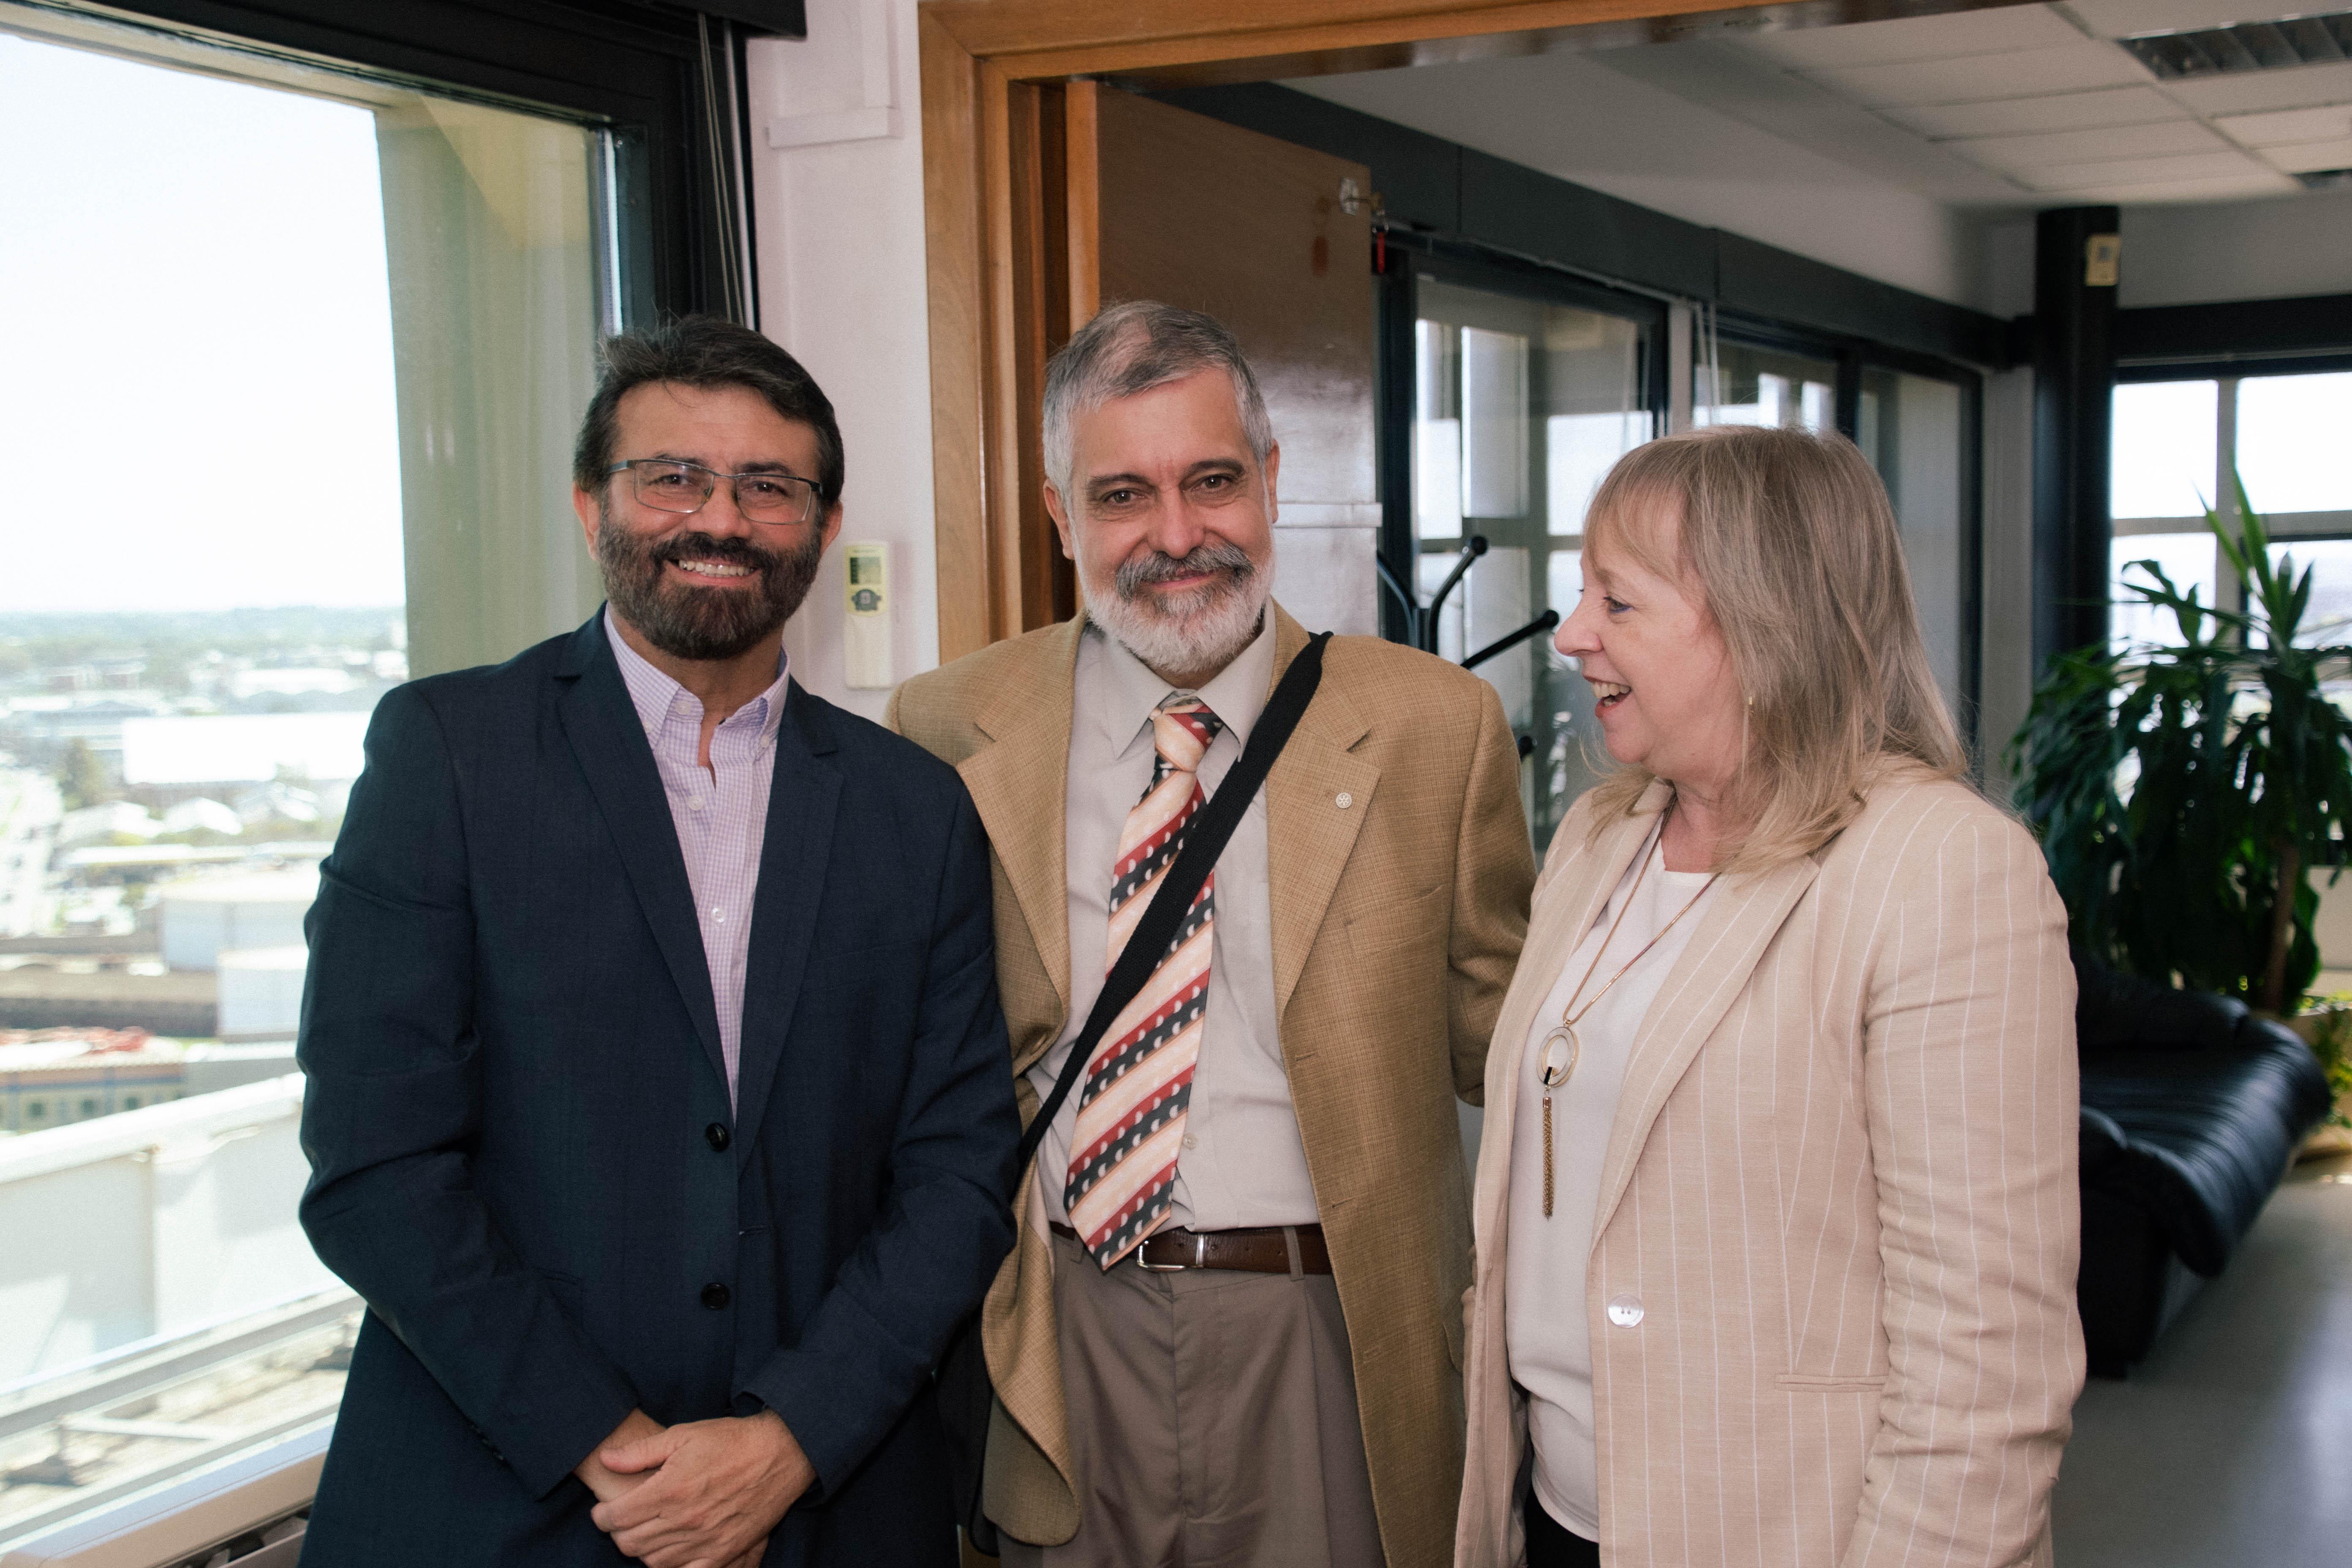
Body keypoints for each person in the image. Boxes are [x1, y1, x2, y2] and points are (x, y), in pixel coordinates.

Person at [296, 317, 1020, 1567]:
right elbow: (376, 1168)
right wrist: (623, 1454)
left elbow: (960, 1171)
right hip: (501, 1503)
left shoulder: (917, 809)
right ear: (592, 508)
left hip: (827, 1506)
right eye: (672, 476)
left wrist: (789, 1441)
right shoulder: (448, 759)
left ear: (824, 525)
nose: (720, 519)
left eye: (767, 486)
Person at [889, 300, 1534, 1568]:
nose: (1177, 537)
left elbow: (1516, 1058)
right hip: (1059, 1338)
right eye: (1124, 495)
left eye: (1214, 481)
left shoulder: (1431, 729)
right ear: (1061, 515)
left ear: (1274, 482)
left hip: (1328, 1334)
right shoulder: (947, 729)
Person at [1454, 424, 2082, 1568]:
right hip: (1560, 1516)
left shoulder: (1941, 871)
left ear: (1763, 620)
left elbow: (1987, 1367)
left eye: (1618, 601)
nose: (1574, 634)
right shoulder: (1601, 838)